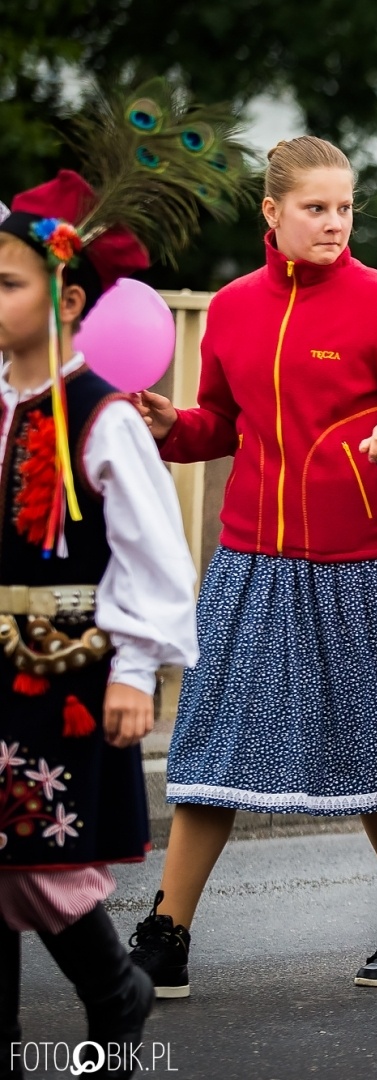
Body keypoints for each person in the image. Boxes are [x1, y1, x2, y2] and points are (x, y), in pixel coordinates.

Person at [130, 136, 377, 998]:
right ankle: (166, 935)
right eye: (315, 208)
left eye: (345, 208)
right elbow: (218, 424)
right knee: (209, 746)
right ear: (272, 214)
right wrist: (172, 428)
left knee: (375, 749)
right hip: (249, 563)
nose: (334, 223)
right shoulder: (234, 308)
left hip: (357, 568)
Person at [0, 171, 198, 1075]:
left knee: (45, 858)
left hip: (69, 669)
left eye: (10, 283)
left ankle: (116, 993)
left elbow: (154, 555)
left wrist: (133, 671)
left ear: (68, 300)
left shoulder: (102, 416)